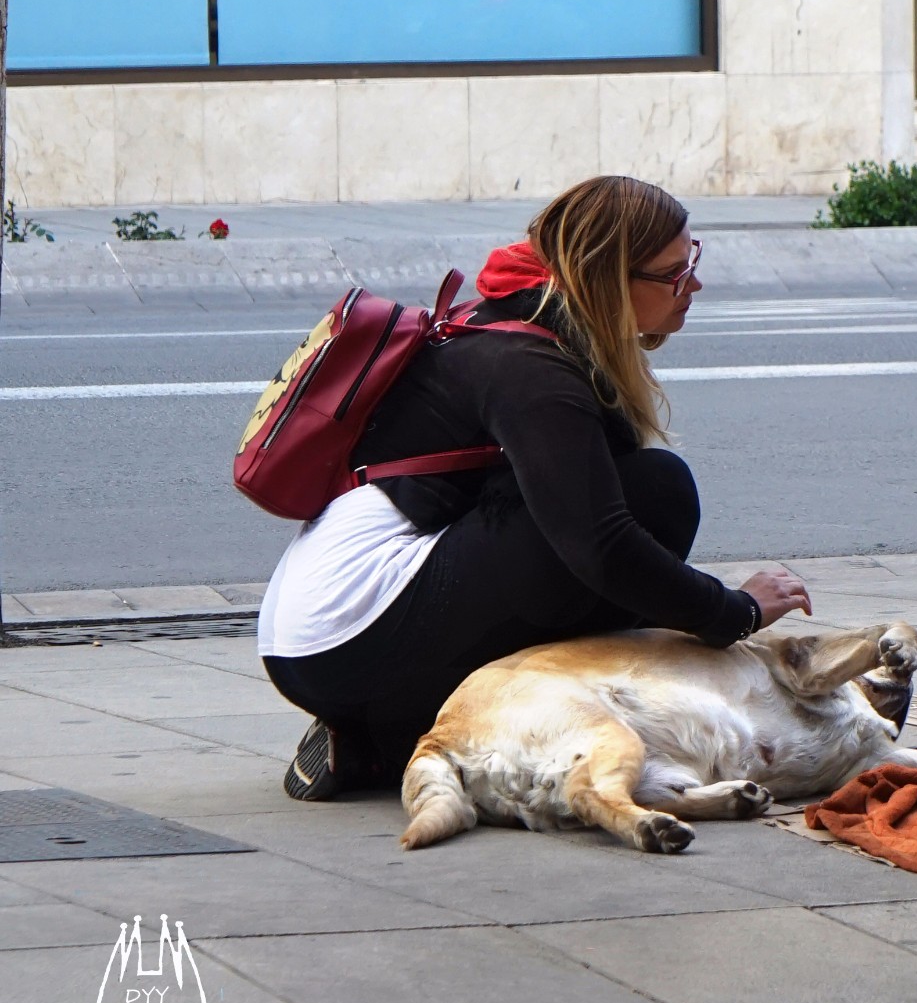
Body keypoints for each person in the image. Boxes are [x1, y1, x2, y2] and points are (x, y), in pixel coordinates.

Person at [258, 176, 813, 800]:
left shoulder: (515, 320)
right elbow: (601, 547)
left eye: (692, 263)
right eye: (673, 274)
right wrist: (733, 611)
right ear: (607, 278)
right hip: (346, 636)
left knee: (636, 493)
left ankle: (380, 726)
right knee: (656, 494)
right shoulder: (532, 370)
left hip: (322, 631)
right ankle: (394, 736)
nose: (694, 286)